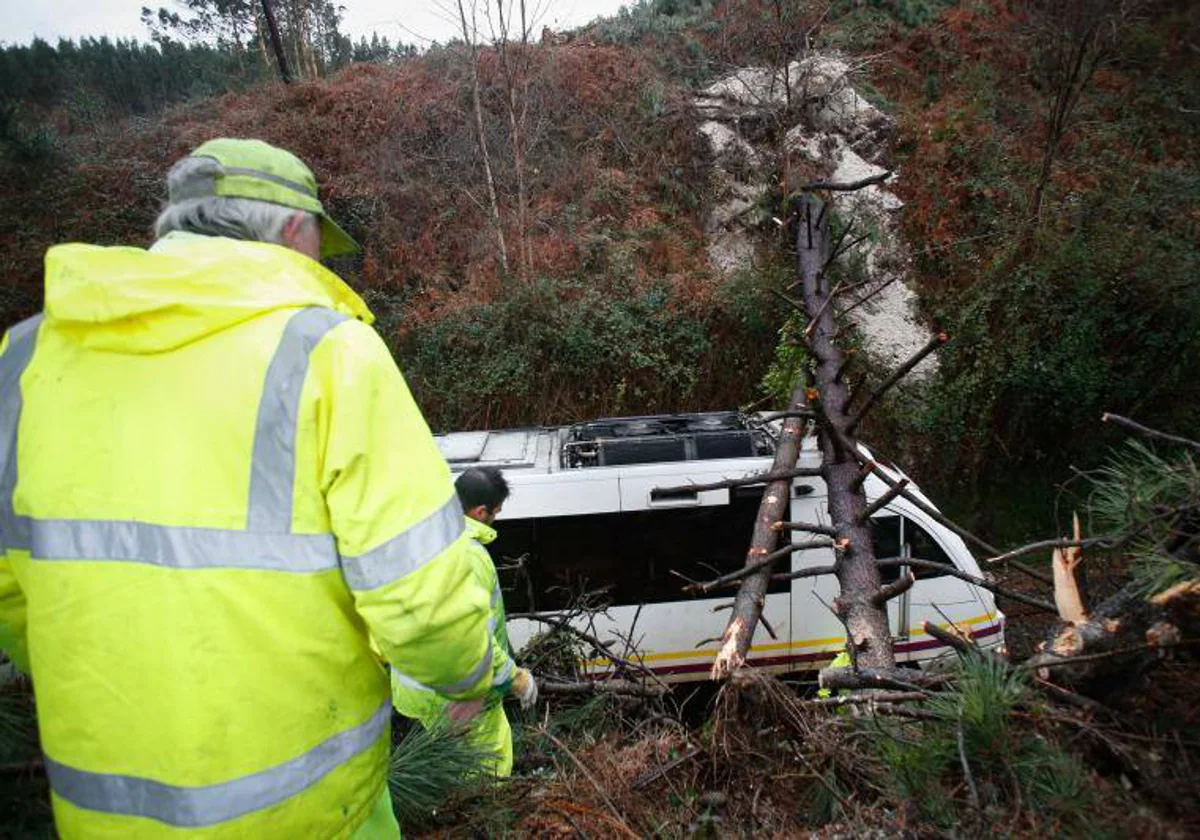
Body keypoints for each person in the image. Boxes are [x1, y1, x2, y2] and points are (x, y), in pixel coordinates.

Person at [0, 138, 498, 838]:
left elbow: (15, 600)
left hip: (102, 819)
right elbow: (423, 604)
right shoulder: (329, 354)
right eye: (320, 242)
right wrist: (475, 680)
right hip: (312, 818)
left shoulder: (23, 359)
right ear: (294, 232)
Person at [391, 467, 536, 778]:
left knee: (445, 779)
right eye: (495, 513)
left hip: (416, 690)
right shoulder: (468, 557)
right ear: (480, 512)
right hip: (456, 695)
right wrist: (514, 678)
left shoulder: (422, 533)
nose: (496, 519)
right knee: (486, 776)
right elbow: (471, 639)